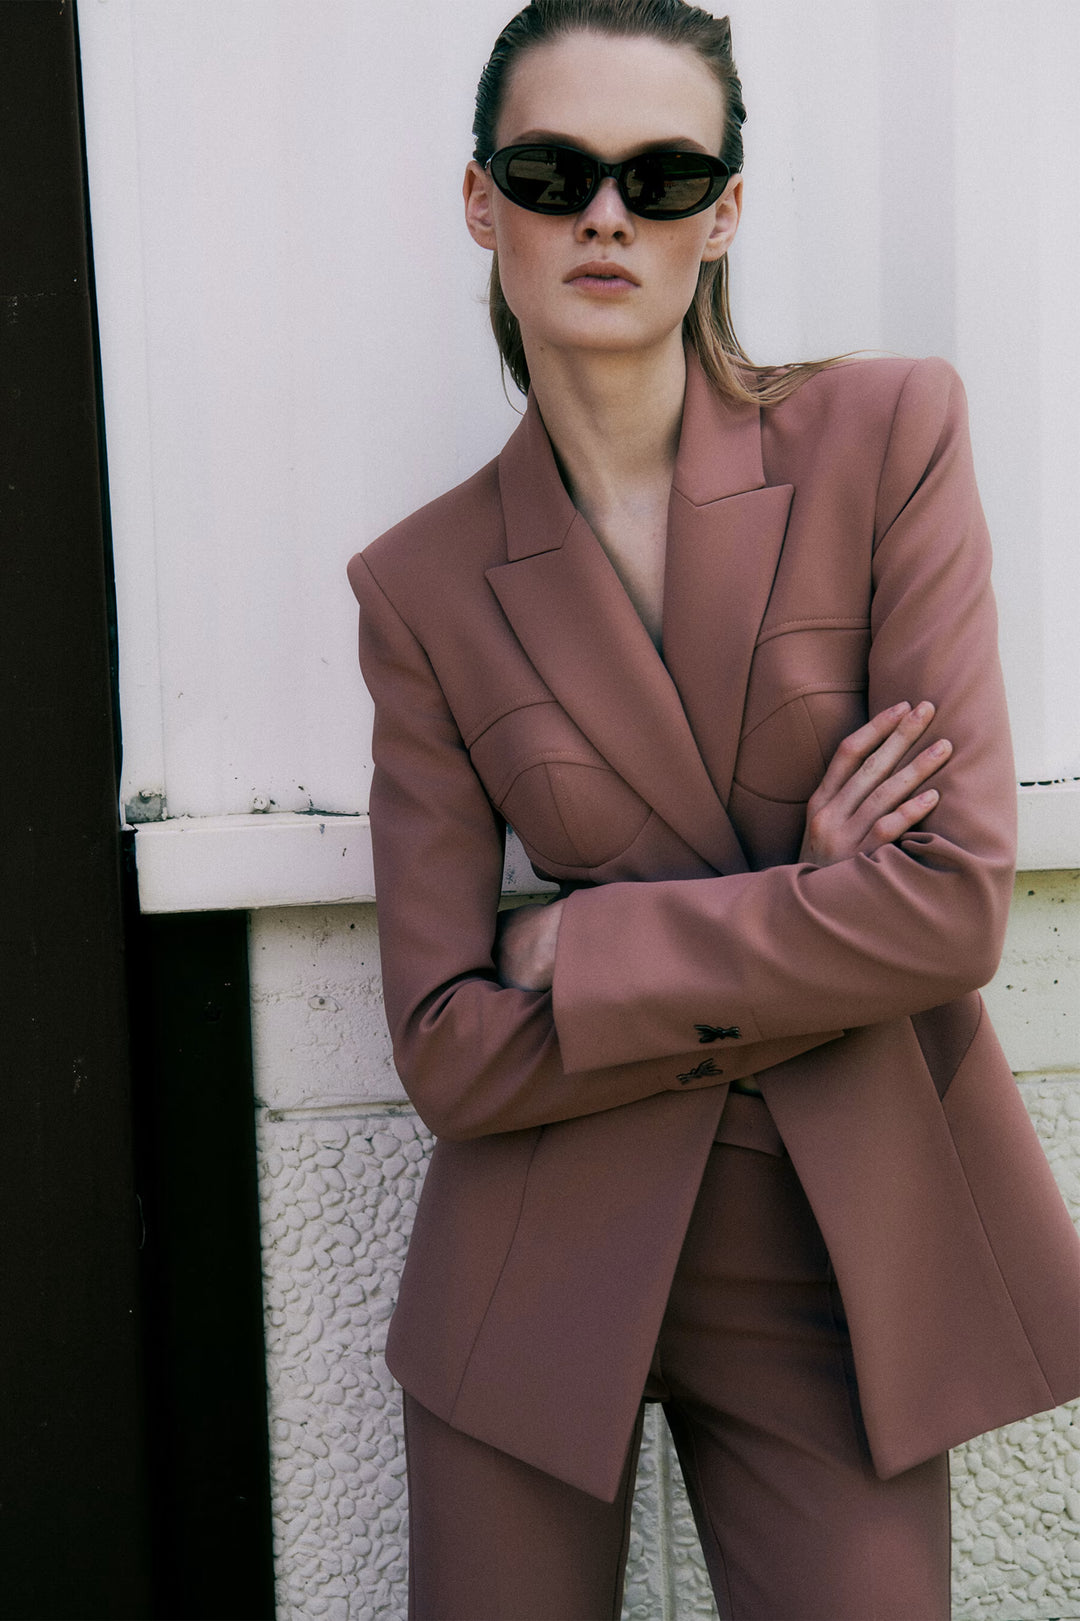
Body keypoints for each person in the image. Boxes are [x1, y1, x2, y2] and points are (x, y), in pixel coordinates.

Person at [347, 3, 1080, 1616]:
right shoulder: (420, 585)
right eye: (554, 173)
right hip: (534, 1259)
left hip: (834, 1248)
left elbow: (951, 907)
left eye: (663, 176)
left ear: (725, 209)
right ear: (482, 202)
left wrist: (588, 949)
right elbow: (447, 1049)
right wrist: (812, 905)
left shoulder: (887, 436)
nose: (607, 216)